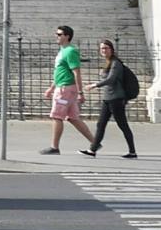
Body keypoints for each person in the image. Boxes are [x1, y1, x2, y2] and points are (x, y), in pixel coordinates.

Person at [81, 38, 138, 159]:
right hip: (108, 99)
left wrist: (95, 85)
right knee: (100, 124)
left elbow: (111, 79)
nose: (104, 50)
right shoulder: (108, 62)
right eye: (102, 48)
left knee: (123, 125)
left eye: (106, 48)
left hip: (116, 99)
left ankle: (132, 152)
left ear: (112, 50)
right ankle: (92, 150)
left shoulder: (115, 63)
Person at [42, 24, 94, 154]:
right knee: (73, 118)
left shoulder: (70, 51)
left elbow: (76, 72)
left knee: (56, 116)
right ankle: (95, 143)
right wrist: (51, 87)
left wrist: (80, 92)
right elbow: (60, 71)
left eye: (59, 34)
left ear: (67, 36)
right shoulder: (62, 51)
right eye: (56, 34)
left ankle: (54, 147)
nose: (56, 36)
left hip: (65, 89)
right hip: (63, 87)